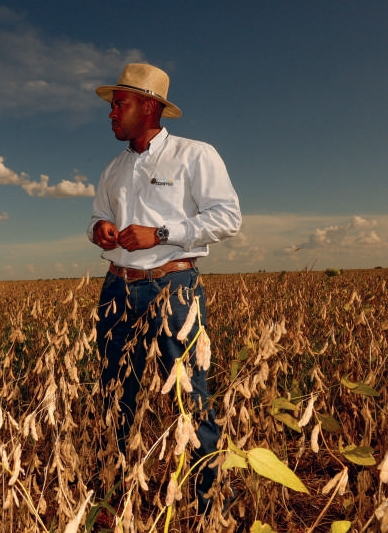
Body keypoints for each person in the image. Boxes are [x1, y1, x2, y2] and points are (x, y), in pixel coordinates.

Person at [87, 63, 241, 521]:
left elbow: (227, 218)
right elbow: (95, 216)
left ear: (150, 107)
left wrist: (162, 233)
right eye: (113, 105)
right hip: (118, 287)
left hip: (175, 286)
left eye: (121, 104)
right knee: (115, 395)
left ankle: (209, 503)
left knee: (191, 397)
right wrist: (101, 229)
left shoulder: (196, 155)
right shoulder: (113, 168)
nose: (112, 113)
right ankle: (116, 498)